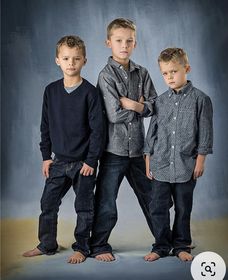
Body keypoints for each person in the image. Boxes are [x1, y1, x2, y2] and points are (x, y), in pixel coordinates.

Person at [22, 35, 104, 264]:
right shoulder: (51, 91)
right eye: (66, 58)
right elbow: (45, 125)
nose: (71, 63)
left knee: (84, 207)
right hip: (58, 162)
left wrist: (91, 161)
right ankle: (47, 244)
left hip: (83, 164)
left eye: (76, 59)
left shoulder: (90, 93)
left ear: (84, 61)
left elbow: (98, 131)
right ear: (57, 60)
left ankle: (82, 247)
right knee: (48, 204)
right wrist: (46, 157)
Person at [90, 18, 157, 262]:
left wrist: (132, 103)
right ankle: (99, 245)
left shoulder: (143, 73)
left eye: (129, 41)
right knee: (106, 200)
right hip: (113, 150)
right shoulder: (105, 76)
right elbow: (114, 115)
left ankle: (165, 241)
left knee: (152, 198)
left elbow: (154, 106)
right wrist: (140, 106)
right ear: (109, 43)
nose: (124, 45)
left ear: (135, 43)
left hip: (139, 149)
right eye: (119, 40)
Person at [144, 47, 213, 262]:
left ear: (187, 69)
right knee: (158, 208)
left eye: (174, 71)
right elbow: (151, 134)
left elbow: (205, 132)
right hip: (160, 164)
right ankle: (161, 246)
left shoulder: (201, 100)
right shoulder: (159, 102)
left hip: (186, 165)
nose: (169, 77)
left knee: (183, 209)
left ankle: (181, 245)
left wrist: (200, 160)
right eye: (165, 73)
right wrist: (148, 162)